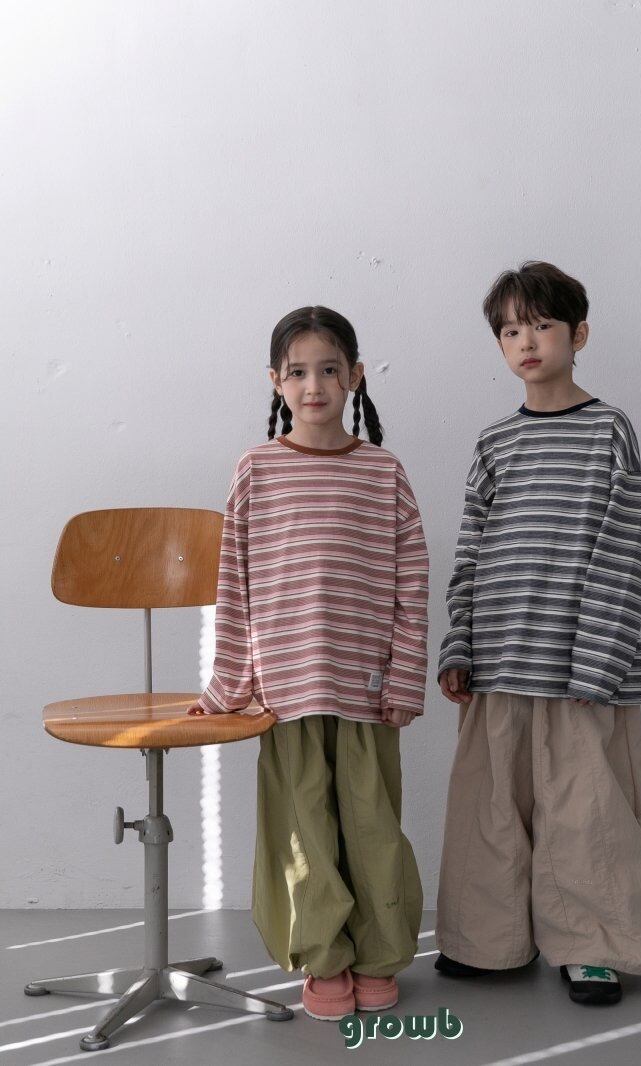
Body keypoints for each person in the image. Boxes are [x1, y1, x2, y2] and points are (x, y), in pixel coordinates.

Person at [434, 261, 641, 1006]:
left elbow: (622, 549)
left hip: (579, 668)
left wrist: (599, 659)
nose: (526, 342)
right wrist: (459, 643)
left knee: (585, 815)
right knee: (490, 809)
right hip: (501, 660)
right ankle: (487, 942)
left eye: (541, 325)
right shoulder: (494, 443)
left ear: (579, 334)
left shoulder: (609, 430)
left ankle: (589, 947)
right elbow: (471, 549)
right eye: (511, 331)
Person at [188, 306, 428, 1021]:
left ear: (355, 375)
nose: (314, 385)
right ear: (275, 381)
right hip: (286, 689)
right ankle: (326, 960)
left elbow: (412, 583)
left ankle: (380, 956)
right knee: (303, 834)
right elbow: (233, 582)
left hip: (366, 687)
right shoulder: (256, 470)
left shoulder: (384, 472)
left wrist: (406, 675)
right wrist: (229, 685)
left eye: (329, 369)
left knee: (373, 829)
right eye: (298, 372)